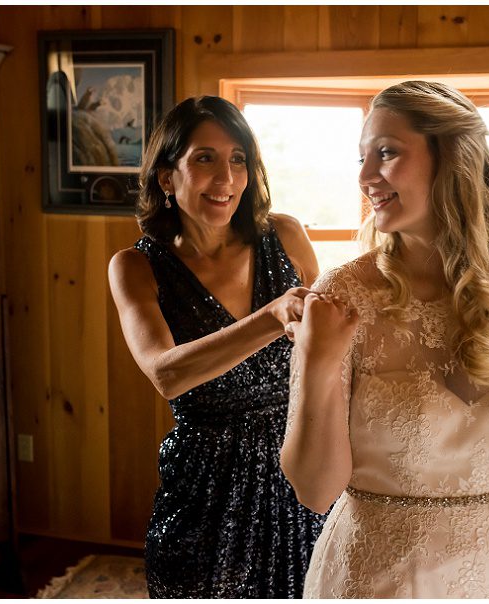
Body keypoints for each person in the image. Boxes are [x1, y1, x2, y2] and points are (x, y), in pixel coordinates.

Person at [281, 81, 489, 598]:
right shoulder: (345, 294)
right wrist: (317, 360)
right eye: (362, 157)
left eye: (387, 153)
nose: (366, 177)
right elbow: (314, 489)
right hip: (372, 579)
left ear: (452, 158)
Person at [108, 95, 326, 598]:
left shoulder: (287, 238)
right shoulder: (136, 268)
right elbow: (167, 374)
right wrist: (270, 318)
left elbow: (331, 352)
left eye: (238, 159)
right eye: (204, 158)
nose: (225, 179)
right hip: (206, 485)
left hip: (297, 467)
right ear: (167, 177)